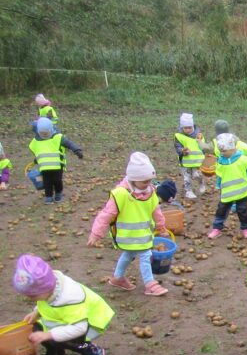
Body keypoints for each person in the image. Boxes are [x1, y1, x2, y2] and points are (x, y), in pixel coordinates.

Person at [87, 152, 169, 297]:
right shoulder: (121, 194)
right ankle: (150, 284)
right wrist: (96, 234)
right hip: (128, 236)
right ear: (133, 179)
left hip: (142, 235)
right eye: (144, 181)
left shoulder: (150, 192)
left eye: (150, 180)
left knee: (129, 254)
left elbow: (156, 211)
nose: (148, 184)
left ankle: (118, 278)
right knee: (145, 255)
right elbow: (106, 215)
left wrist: (161, 227)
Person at [13, 253, 113, 355]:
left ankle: (89, 349)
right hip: (62, 317)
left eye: (32, 296)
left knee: (66, 338)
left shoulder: (70, 300)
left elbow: (79, 328)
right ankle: (56, 351)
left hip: (87, 323)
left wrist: (49, 335)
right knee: (36, 328)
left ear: (47, 289)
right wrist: (37, 312)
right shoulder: (49, 288)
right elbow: (44, 303)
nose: (29, 298)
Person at [208, 133, 247, 239]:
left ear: (232, 148)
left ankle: (246, 229)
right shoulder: (220, 161)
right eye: (221, 151)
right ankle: (217, 228)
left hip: (242, 192)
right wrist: (218, 185)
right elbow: (220, 174)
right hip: (227, 193)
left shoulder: (243, 160)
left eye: (224, 151)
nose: (222, 154)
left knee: (243, 211)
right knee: (221, 211)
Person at [28, 117, 83, 204]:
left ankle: (58, 193)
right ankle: (48, 196)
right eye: (42, 133)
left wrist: (77, 150)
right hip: (44, 166)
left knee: (57, 180)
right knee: (47, 182)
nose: (45, 135)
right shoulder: (35, 141)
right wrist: (36, 160)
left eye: (46, 133)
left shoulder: (58, 137)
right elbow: (39, 152)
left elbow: (69, 144)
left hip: (58, 165)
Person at [173, 112, 209, 199]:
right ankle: (188, 191)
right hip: (185, 162)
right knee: (187, 178)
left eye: (190, 127)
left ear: (193, 126)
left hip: (197, 162)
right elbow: (177, 147)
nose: (188, 130)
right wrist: (182, 151)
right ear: (182, 127)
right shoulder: (179, 136)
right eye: (185, 128)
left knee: (197, 175)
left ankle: (201, 183)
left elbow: (203, 147)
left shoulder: (199, 135)